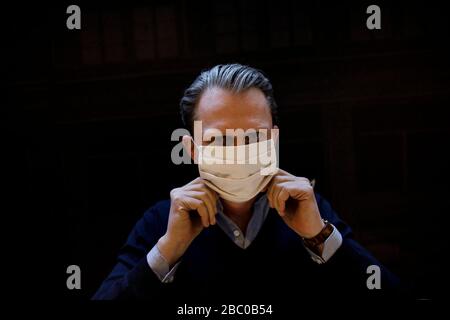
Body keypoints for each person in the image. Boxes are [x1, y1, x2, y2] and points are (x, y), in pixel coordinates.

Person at [93, 64, 401, 303]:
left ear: (273, 139)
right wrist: (168, 250)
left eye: (254, 137)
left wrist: (319, 237)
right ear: (192, 149)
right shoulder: (162, 221)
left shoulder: (309, 209)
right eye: (220, 140)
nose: (238, 152)